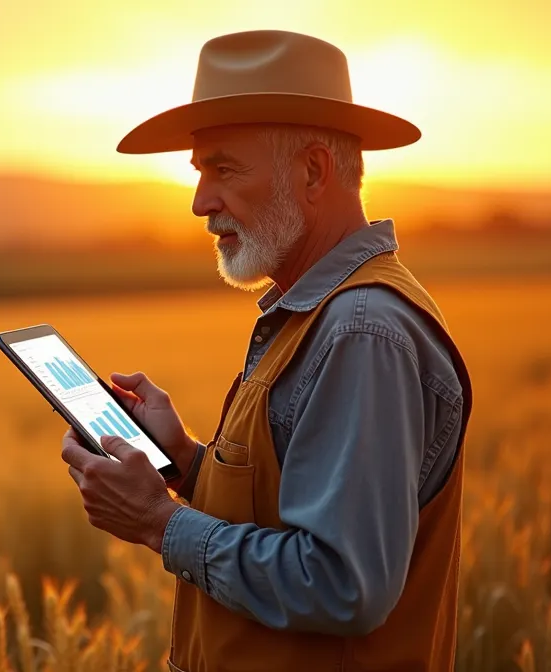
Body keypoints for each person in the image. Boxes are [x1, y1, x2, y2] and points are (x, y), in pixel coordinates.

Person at [59, 30, 473, 671]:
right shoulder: (322, 313)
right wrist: (187, 462)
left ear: (313, 171)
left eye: (224, 168)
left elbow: (342, 584)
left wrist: (156, 522)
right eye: (200, 173)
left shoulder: (360, 331)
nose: (200, 202)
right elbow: (298, 518)